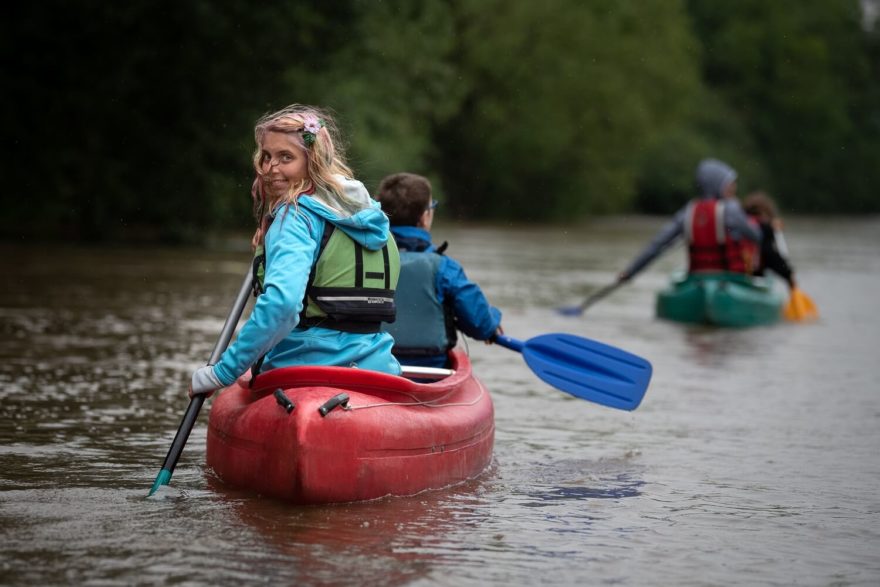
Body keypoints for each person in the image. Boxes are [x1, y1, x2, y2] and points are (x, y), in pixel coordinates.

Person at [190, 104, 401, 397]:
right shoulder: (370, 215)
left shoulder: (295, 218)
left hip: (303, 370)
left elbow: (283, 305)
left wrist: (223, 372)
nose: (270, 168)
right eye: (266, 156)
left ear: (313, 160)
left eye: (285, 157)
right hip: (375, 370)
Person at [375, 172, 502, 369]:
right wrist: (493, 321)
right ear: (425, 217)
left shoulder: (362, 259)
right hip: (431, 371)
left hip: (374, 366)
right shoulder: (445, 268)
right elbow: (480, 325)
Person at [618, 158, 762, 282]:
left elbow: (657, 245)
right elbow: (757, 236)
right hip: (730, 280)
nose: (734, 188)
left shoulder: (687, 212)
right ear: (716, 184)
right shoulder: (732, 209)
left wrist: (630, 272)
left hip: (697, 279)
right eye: (729, 184)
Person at [743, 191, 796, 290]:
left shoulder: (739, 225)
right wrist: (790, 277)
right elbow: (771, 255)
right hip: (753, 277)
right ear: (765, 214)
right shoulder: (765, 230)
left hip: (736, 275)